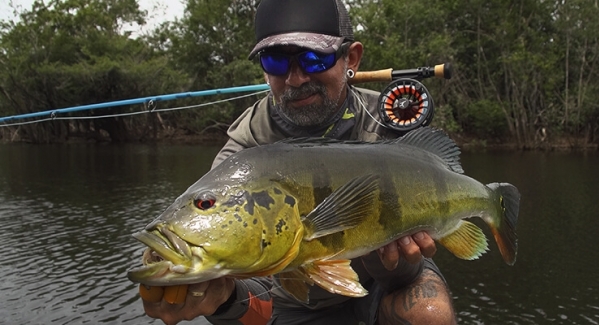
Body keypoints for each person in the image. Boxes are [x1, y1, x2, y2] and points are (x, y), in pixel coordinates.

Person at [141, 0, 457, 324]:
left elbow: (409, 268)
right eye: (276, 61)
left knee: (429, 314)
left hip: (385, 282)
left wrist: (393, 261)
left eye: (313, 57)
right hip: (296, 297)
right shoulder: (242, 156)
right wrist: (221, 300)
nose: (295, 79)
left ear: (352, 58)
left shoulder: (389, 127)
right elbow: (256, 293)